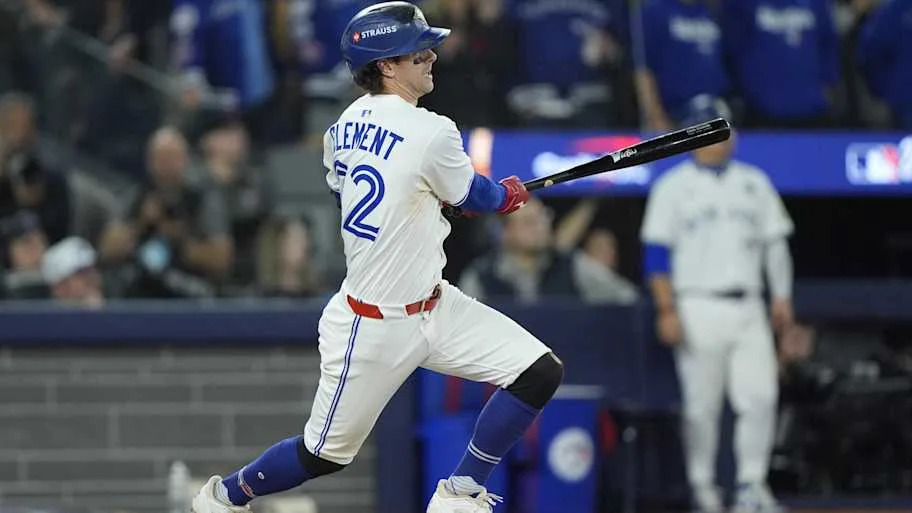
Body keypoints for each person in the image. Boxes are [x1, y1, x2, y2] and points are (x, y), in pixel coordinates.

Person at [190, 3, 563, 513]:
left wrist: (432, 202)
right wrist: (508, 195)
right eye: (418, 52)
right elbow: (479, 197)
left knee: (538, 371)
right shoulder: (432, 129)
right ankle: (223, 498)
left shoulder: (341, 126)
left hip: (435, 304)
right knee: (322, 455)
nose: (431, 56)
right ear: (386, 65)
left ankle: (460, 490)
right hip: (372, 324)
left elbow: (357, 191)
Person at [639, 100, 794, 513]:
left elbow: (775, 245)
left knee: (760, 397)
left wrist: (781, 296)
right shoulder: (672, 187)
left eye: (722, 129)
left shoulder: (754, 182)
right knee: (701, 407)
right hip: (697, 304)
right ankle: (703, 485)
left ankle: (751, 486)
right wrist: (666, 309)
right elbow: (656, 253)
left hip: (749, 304)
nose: (717, 139)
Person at [459, 197, 639, 305]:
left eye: (543, 217)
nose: (540, 227)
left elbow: (628, 298)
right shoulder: (481, 276)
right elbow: (461, 323)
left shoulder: (572, 265)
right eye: (529, 222)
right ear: (505, 232)